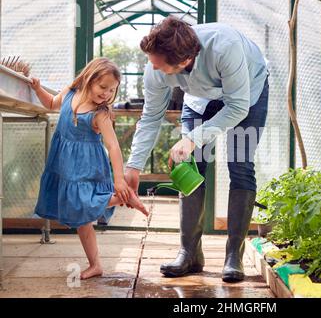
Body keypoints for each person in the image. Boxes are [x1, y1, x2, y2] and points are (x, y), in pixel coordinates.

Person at [125, 16, 269, 283]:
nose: (151, 66)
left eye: (157, 63)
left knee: (240, 165)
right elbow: (150, 117)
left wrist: (192, 139)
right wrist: (134, 165)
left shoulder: (225, 47)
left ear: (183, 62)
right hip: (200, 100)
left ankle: (233, 256)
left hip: (246, 95)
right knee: (189, 163)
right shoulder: (155, 65)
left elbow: (237, 107)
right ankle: (189, 253)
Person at [31, 58, 149, 280]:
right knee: (82, 219)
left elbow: (113, 146)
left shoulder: (100, 113)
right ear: (88, 79)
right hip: (64, 164)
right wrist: (37, 88)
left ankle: (122, 198)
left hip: (86, 166)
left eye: (112, 90)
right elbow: (51, 104)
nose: (106, 94)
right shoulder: (71, 92)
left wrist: (119, 179)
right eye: (103, 87)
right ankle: (96, 265)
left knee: (81, 203)